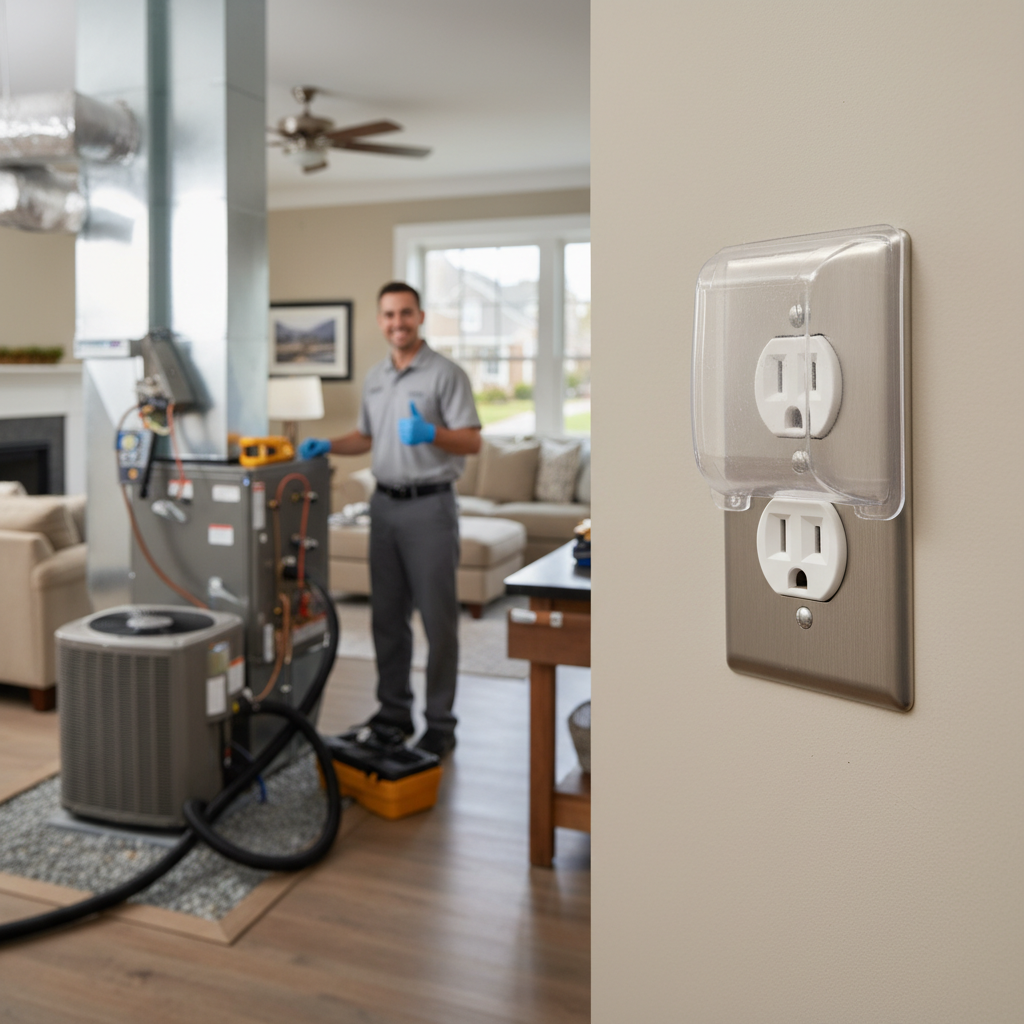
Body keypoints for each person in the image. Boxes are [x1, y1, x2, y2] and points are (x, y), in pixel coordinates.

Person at [299, 282, 481, 757]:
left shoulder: (446, 374)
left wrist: (431, 432)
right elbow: (366, 436)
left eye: (405, 313)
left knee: (438, 621)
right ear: (380, 321)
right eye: (389, 315)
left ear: (420, 316)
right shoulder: (376, 377)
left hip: (430, 508)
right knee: (387, 618)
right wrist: (328, 444)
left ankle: (440, 723)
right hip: (383, 508)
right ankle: (393, 713)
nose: (397, 323)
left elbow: (472, 440)